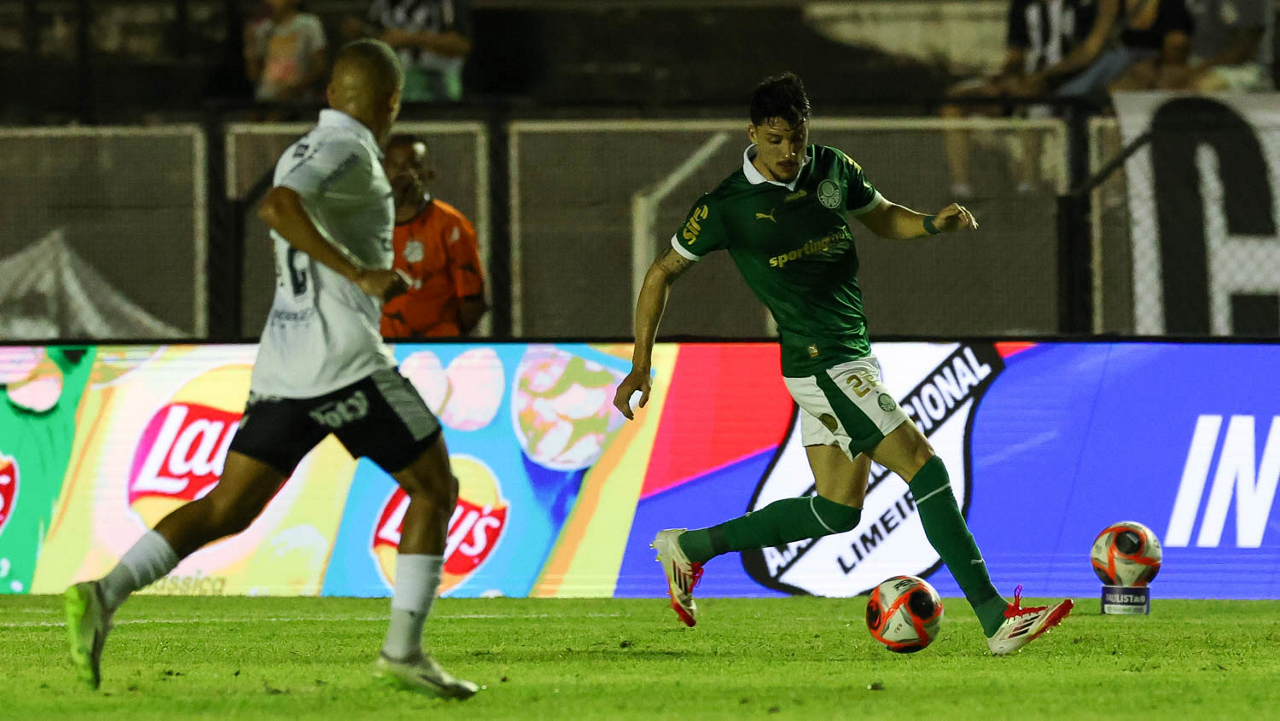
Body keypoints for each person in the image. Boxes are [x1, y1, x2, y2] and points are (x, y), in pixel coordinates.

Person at [63, 40, 478, 700]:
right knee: (434, 487)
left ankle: (103, 593)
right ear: (392, 103)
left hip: (286, 367)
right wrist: (360, 274)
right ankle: (402, 653)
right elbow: (278, 207)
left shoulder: (308, 147)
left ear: (330, 95)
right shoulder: (348, 151)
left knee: (227, 508)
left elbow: (293, 205)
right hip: (344, 363)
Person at [612, 73, 1075, 656]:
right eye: (776, 140)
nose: (789, 151)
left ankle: (689, 547)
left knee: (836, 511)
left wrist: (931, 223)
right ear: (752, 134)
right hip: (822, 362)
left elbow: (881, 217)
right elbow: (660, 273)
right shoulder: (726, 206)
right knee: (924, 467)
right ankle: (995, 617)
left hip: (848, 354)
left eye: (797, 138)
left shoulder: (832, 167)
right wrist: (640, 365)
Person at [943, 0, 1120, 197]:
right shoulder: (1023, 5)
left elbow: (1089, 51)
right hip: (1025, 79)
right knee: (956, 101)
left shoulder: (1082, 5)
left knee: (1031, 99)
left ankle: (1029, 183)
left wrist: (1042, 77)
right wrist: (1006, 77)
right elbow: (1016, 53)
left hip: (1066, 81)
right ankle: (961, 188)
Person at [381, 135, 487, 338]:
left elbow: (472, 302)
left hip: (433, 348)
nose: (404, 174)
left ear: (429, 172)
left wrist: (441, 343)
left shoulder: (450, 224)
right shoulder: (367, 224)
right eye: (395, 166)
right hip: (379, 347)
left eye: (414, 166)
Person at [346, 0, 473, 103]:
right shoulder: (383, 3)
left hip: (437, 87)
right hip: (390, 87)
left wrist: (411, 39)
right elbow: (380, 36)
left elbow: (461, 44)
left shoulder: (446, 3)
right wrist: (361, 33)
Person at [1168, 0, 1273, 91]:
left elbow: (1242, 52)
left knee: (1202, 87)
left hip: (1247, 68)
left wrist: (1193, 72)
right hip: (1199, 63)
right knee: (1167, 80)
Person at [244, 0, 329, 104]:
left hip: (299, 102)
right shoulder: (262, 28)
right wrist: (250, 44)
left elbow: (320, 66)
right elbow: (254, 75)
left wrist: (295, 89)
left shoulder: (309, 25)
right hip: (265, 100)